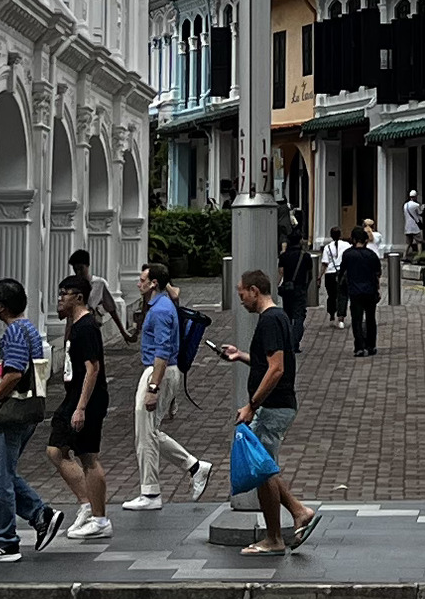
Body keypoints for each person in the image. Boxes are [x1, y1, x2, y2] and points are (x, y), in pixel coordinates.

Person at [221, 267, 319, 557]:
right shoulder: (276, 319)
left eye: (242, 294)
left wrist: (252, 405)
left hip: (274, 406)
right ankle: (299, 512)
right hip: (275, 405)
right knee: (263, 468)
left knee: (262, 470)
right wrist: (241, 356)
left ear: (255, 291)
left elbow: (277, 369)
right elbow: (268, 363)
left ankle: (274, 538)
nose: (241, 300)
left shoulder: (270, 320)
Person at [0, 277, 61, 561]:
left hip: (10, 415)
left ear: (0, 307)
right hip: (27, 413)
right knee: (6, 473)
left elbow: (13, 372)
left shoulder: (13, 333)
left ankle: (6, 540)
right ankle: (41, 514)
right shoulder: (30, 330)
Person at [125, 262, 217, 507]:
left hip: (157, 372)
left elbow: (163, 352)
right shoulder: (162, 305)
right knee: (149, 432)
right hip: (161, 371)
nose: (138, 283)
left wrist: (153, 388)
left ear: (153, 283)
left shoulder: (160, 311)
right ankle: (194, 467)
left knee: (146, 434)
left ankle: (151, 492)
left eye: (143, 279)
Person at [44, 271, 117, 542]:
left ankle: (98, 518)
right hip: (75, 396)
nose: (59, 300)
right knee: (57, 450)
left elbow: (93, 369)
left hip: (86, 400)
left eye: (64, 295)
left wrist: (81, 407)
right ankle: (88, 507)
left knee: (87, 457)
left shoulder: (87, 327)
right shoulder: (76, 325)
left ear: (79, 297)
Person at [341, 229, 383, 355]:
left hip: (355, 291)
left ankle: (359, 347)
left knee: (357, 320)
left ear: (353, 240)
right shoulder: (371, 255)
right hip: (370, 291)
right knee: (371, 319)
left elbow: (342, 271)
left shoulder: (348, 254)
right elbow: (378, 273)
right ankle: (371, 345)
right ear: (365, 240)